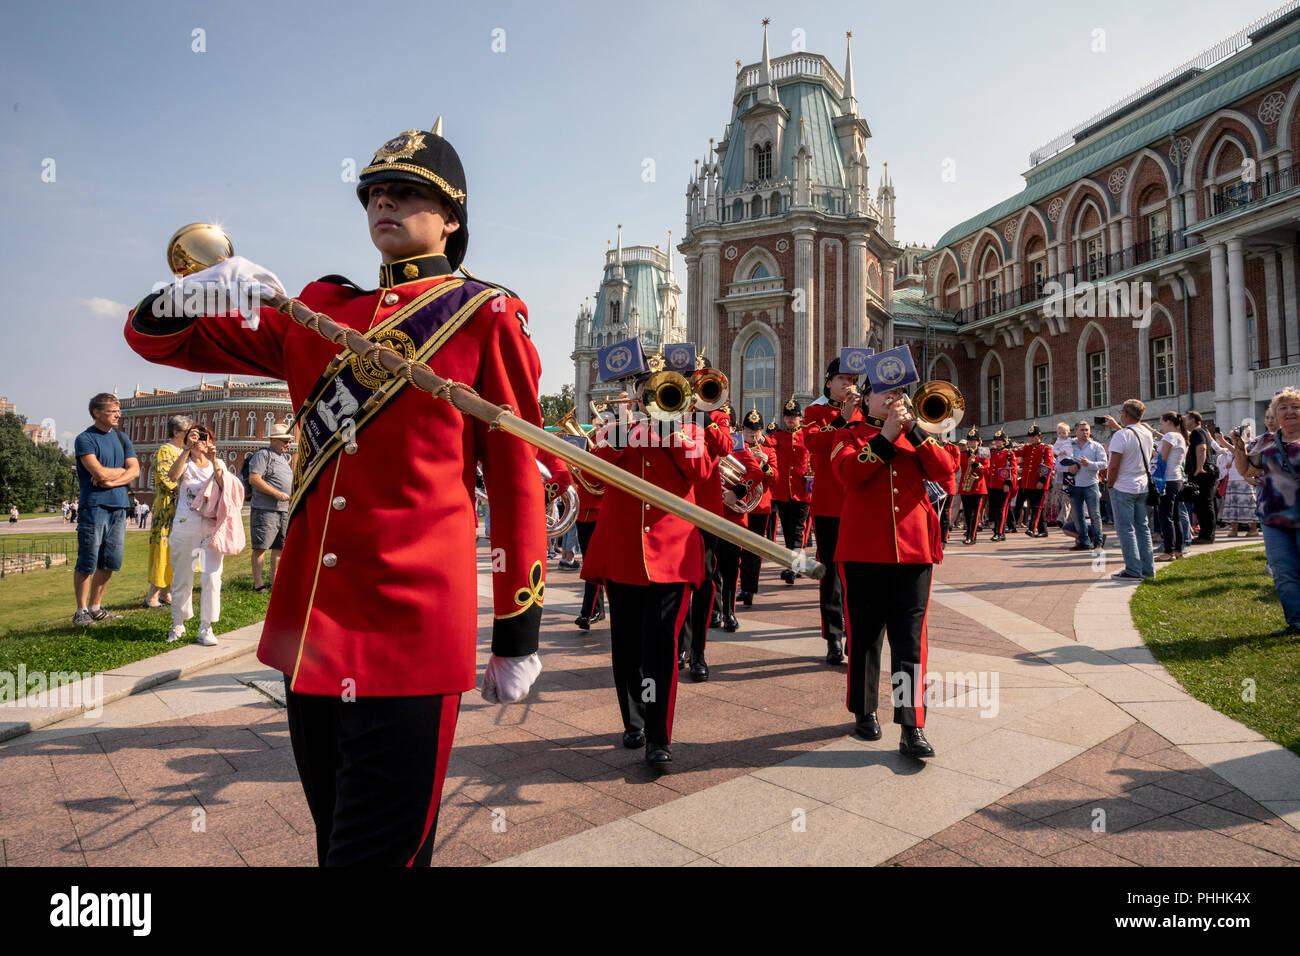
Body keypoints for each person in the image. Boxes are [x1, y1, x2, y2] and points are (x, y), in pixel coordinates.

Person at [125, 121, 547, 866]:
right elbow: (155, 342)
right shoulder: (323, 312)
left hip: (411, 632)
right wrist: (194, 293)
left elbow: (516, 480)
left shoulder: (485, 314)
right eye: (374, 192)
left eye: (408, 193)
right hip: (313, 633)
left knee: (372, 853)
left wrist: (518, 631)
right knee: (335, 843)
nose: (385, 203)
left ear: (451, 217)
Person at [580, 345, 714, 768]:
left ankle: (659, 734)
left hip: (671, 554)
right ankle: (633, 720)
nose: (651, 396)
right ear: (635, 395)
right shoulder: (615, 428)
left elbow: (702, 472)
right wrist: (620, 430)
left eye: (660, 389)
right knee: (627, 648)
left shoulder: (690, 428)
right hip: (623, 553)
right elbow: (590, 475)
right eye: (645, 389)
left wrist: (670, 430)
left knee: (660, 650)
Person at [832, 373, 957, 758]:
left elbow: (945, 471)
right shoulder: (847, 435)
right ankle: (864, 708)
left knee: (909, 642)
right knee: (865, 637)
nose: (893, 399)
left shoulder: (919, 435)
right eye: (884, 392)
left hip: (914, 551)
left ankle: (911, 724)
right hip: (863, 552)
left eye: (898, 392)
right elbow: (851, 473)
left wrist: (915, 431)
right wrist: (885, 436)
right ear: (866, 399)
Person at [801, 358, 863, 664]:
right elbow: (812, 442)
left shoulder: (864, 411)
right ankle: (834, 636)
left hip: (858, 503)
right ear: (828, 382)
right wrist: (842, 419)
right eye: (842, 378)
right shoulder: (815, 412)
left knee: (857, 573)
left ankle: (855, 633)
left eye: (852, 379)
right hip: (828, 504)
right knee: (831, 575)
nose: (848, 384)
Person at [1234, 387, 1300, 637]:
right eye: (1283, 408)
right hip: (1273, 517)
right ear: (1274, 413)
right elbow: (1247, 472)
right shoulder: (1265, 441)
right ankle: (1296, 622)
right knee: (1283, 571)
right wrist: (1239, 447)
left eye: (1295, 406)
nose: (1289, 412)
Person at [72, 393, 139, 626]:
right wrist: (120, 472)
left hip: (119, 505)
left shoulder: (122, 438)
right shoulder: (85, 439)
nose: (118, 415)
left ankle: (96, 607)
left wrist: (111, 479)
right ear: (97, 413)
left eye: (118, 411)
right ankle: (81, 611)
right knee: (88, 560)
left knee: (110, 560)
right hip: (94, 506)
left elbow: (136, 471)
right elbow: (98, 472)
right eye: (113, 411)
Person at [165, 425, 229, 645]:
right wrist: (185, 450)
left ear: (211, 441)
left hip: (211, 526)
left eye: (204, 437)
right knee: (183, 575)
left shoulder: (217, 464)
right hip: (186, 523)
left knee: (211, 576)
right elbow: (172, 477)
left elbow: (225, 488)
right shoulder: (186, 463)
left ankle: (206, 626)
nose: (200, 441)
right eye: (195, 437)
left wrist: (214, 461)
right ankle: (178, 622)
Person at [1101, 401, 1156, 581]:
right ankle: (1147, 569)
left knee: (1126, 529)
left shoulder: (1121, 435)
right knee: (1142, 528)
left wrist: (1110, 484)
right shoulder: (1147, 433)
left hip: (1123, 485)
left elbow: (1114, 465)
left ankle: (1133, 569)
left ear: (1125, 414)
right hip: (1142, 484)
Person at [144, 415, 190, 608]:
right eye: (188, 431)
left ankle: (166, 593)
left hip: (182, 508)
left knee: (175, 551)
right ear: (176, 432)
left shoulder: (185, 451)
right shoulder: (165, 451)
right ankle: (152, 596)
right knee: (163, 550)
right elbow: (165, 480)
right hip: (167, 509)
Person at [737, 407, 778, 604]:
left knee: (753, 549)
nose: (753, 434)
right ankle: (737, 585)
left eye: (756, 430)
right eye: (749, 430)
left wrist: (765, 466)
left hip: (759, 506)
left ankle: (749, 589)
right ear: (742, 430)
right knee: (736, 548)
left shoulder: (769, 452)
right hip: (738, 504)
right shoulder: (736, 449)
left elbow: (775, 479)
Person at [248, 423, 295, 592]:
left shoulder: (283, 459)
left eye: (288, 441)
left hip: (283, 510)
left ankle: (275, 584)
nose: (287, 444)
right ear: (274, 440)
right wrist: (277, 494)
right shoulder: (263, 455)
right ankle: (258, 585)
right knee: (261, 547)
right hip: (265, 509)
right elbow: (254, 479)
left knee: (278, 548)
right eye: (284, 441)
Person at [770, 397, 810, 584]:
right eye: (787, 417)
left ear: (800, 418)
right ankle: (794, 565)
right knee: (787, 530)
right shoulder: (779, 436)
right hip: (783, 491)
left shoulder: (807, 435)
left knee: (798, 530)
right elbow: (767, 442)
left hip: (801, 490)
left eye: (793, 417)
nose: (789, 420)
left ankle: (792, 568)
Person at [1062, 420, 1107, 552]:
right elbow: (1058, 463)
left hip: (1090, 485)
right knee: (1077, 515)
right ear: (1075, 431)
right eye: (1082, 430)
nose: (1085, 432)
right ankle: (1083, 542)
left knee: (1095, 514)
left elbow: (1104, 464)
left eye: (1087, 430)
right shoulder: (1069, 445)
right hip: (1074, 485)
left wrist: (1090, 464)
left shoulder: (1096, 446)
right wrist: (1068, 468)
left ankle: (1098, 541)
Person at [1155, 412, 1189, 562]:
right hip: (1177, 479)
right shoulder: (1180, 437)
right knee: (1175, 517)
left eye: (1162, 423)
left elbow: (1162, 457)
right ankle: (1179, 549)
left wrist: (1150, 451)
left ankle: (1168, 551)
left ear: (1168, 421)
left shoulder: (1170, 436)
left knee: (1165, 516)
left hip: (1167, 480)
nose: (1161, 426)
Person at [1015, 424, 1054, 537]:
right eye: (1030, 436)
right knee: (1036, 508)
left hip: (1039, 483)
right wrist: (1006, 448)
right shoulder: (1027, 448)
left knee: (1037, 507)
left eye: (1034, 436)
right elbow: (1016, 453)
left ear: (1039, 436)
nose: (1031, 438)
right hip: (1029, 484)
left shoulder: (1046, 448)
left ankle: (1032, 528)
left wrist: (1042, 480)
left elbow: (1048, 465)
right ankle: (1043, 531)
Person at [1185, 411, 1218, 543]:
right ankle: (1205, 535)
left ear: (1193, 420)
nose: (1185, 421)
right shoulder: (1200, 432)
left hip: (1202, 475)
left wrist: (1199, 467)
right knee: (1201, 505)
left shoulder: (1197, 432)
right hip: (1203, 474)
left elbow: (1202, 448)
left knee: (1205, 505)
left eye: (1186, 419)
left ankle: (1207, 536)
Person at [1221, 424, 1258, 536]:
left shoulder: (1247, 447)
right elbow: (1221, 449)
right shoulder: (1230, 449)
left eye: (1235, 436)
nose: (1233, 439)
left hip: (1244, 480)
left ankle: (1253, 529)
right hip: (1233, 481)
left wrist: (1222, 440)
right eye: (1232, 437)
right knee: (1233, 506)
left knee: (1247, 505)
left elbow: (1238, 452)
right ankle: (1234, 529)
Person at [985, 429, 1019, 542]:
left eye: (1000, 441)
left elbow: (1013, 470)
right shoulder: (992, 452)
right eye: (996, 440)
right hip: (992, 485)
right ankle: (999, 532)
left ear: (1004, 442)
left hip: (1003, 486)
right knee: (994, 509)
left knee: (1001, 509)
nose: (997, 442)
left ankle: (999, 533)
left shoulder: (1009, 453)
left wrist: (1007, 483)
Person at [957, 427, 987, 545]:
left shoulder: (983, 452)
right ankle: (968, 534)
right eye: (969, 441)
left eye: (973, 441)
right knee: (967, 513)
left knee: (975, 513)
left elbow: (986, 470)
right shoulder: (964, 453)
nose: (971, 443)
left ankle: (971, 536)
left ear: (979, 441)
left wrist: (975, 464)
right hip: (966, 487)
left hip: (978, 487)